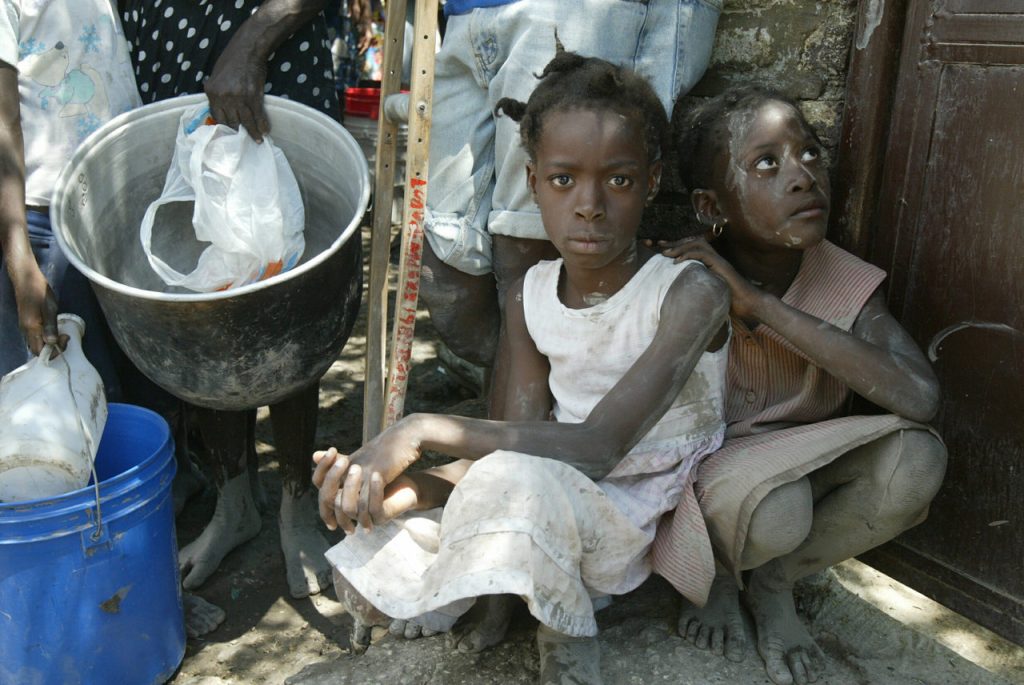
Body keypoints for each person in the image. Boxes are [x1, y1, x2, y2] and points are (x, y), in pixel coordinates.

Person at [312, 47, 730, 684]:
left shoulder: (688, 291)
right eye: (563, 180)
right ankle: (497, 588)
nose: (588, 205)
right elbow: (505, 454)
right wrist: (394, 495)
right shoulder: (532, 293)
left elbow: (597, 446)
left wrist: (420, 428)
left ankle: (563, 637)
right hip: (554, 497)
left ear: (650, 182)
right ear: (534, 183)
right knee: (381, 544)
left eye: (617, 180)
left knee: (514, 492)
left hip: (649, 514)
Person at [648, 86, 947, 685]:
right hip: (705, 481)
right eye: (767, 163)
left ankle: (775, 583)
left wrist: (760, 304)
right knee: (780, 511)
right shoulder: (683, 278)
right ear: (712, 207)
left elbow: (920, 398)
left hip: (797, 467)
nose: (802, 176)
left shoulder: (846, 279)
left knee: (918, 457)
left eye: (810, 154)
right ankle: (711, 580)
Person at [119, 0, 357, 600]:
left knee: (283, 293)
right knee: (206, 307)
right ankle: (234, 502)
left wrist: (252, 42)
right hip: (173, 61)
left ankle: (297, 504)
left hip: (268, 60)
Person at [417, 0, 722, 414]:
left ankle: (518, 426)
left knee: (526, 251)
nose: (590, 206)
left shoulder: (698, 292)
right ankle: (519, 416)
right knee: (446, 266)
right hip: (467, 14)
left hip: (581, 8)